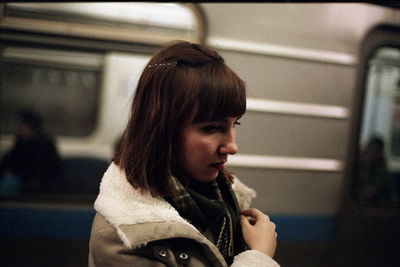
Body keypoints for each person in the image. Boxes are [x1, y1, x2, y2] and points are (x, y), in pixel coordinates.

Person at [89, 41, 279, 267]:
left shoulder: (228, 200)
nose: (232, 147)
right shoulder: (121, 236)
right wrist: (259, 256)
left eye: (234, 123)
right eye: (211, 128)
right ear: (163, 130)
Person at [0, 108, 62, 194]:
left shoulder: (45, 146)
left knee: (9, 184)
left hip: (36, 185)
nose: (19, 128)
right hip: (22, 180)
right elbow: (9, 159)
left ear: (31, 127)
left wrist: (15, 173)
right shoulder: (21, 143)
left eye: (22, 125)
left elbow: (40, 170)